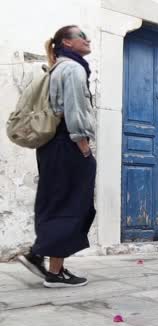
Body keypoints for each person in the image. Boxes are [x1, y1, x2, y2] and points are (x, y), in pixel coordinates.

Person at [17, 25, 96, 288]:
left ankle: (54, 269)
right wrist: (83, 145)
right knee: (72, 204)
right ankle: (39, 256)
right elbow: (74, 111)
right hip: (67, 144)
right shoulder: (72, 69)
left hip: (52, 146)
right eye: (81, 36)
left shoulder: (56, 68)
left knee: (58, 202)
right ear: (67, 42)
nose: (87, 40)